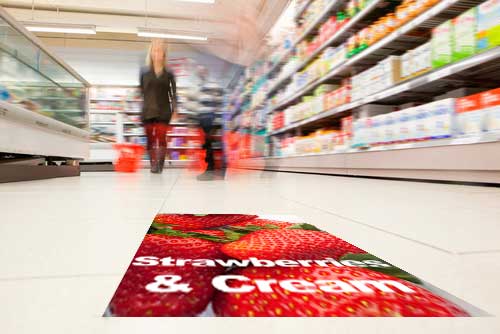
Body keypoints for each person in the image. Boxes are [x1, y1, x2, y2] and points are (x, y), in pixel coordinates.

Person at [140, 39, 177, 174]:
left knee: (161, 137)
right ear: (151, 53)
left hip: (164, 111)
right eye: (155, 51)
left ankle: (160, 164)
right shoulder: (144, 73)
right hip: (148, 111)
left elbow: (174, 93)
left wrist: (175, 109)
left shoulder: (169, 74)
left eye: (160, 51)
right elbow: (142, 91)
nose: (157, 53)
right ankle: (153, 164)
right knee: (150, 139)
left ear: (164, 54)